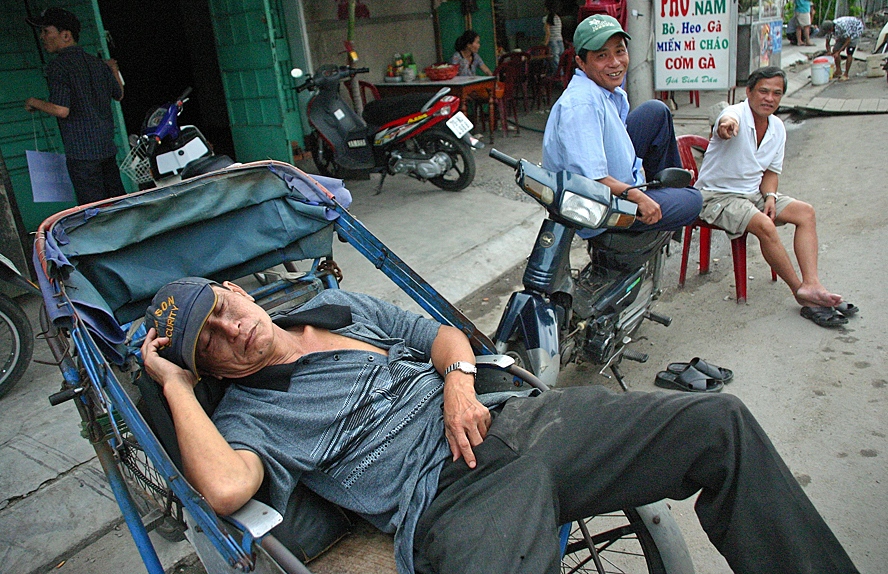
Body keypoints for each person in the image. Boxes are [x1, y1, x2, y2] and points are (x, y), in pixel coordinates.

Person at [142, 277, 860, 574]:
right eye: (211, 339)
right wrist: (175, 383)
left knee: (717, 422)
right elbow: (229, 489)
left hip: (516, 424)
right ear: (211, 367)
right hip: (451, 501)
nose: (236, 327)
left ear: (240, 289)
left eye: (226, 304)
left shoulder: (336, 307)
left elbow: (444, 338)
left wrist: (457, 383)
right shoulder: (252, 411)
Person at [695, 66, 856, 327]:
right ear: (748, 92)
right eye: (763, 91)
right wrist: (725, 127)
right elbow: (725, 123)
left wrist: (770, 195)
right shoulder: (735, 114)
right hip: (716, 197)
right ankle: (801, 293)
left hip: (754, 193)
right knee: (764, 225)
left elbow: (770, 171)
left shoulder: (777, 127)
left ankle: (812, 284)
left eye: (777, 93)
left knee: (806, 212)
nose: (769, 98)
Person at [543, 14, 702, 237]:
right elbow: (591, 181)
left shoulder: (604, 90)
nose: (615, 62)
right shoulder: (582, 104)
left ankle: (660, 199)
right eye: (602, 55)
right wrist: (638, 198)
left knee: (655, 112)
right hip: (594, 206)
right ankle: (647, 217)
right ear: (581, 62)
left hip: (610, 179)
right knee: (693, 201)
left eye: (619, 51)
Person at [24, 7, 126, 205]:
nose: (42, 37)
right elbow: (119, 94)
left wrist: (33, 102)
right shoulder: (97, 64)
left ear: (66, 35)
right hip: (106, 148)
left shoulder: (59, 66)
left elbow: (62, 110)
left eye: (46, 31)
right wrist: (113, 69)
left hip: (82, 155)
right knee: (117, 203)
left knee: (94, 210)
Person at [821, 17, 865, 81]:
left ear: (831, 29)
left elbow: (848, 40)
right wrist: (829, 52)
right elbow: (827, 43)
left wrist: (839, 52)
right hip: (843, 34)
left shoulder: (842, 26)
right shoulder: (829, 31)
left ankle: (846, 74)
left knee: (849, 52)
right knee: (835, 49)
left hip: (855, 30)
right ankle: (838, 71)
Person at [542, 0, 564, 75]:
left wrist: (543, 45)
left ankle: (559, 81)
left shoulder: (546, 19)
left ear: (546, 8)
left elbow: (548, 34)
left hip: (553, 43)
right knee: (560, 64)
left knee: (556, 66)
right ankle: (563, 79)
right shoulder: (558, 18)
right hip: (560, 43)